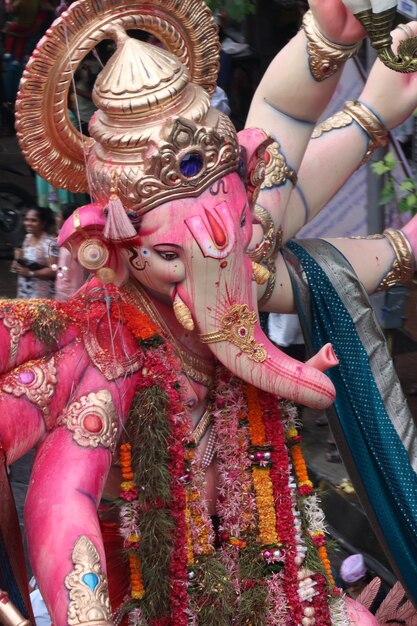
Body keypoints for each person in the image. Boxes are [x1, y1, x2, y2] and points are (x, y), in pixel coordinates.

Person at [2, 1, 417, 625]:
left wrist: (331, 44)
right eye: (169, 255)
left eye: (241, 217)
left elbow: (285, 127)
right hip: (155, 599)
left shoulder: (236, 252)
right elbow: (65, 502)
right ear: (107, 246)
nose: (218, 267)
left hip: (278, 570)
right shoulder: (100, 352)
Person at [12, 206, 58, 299]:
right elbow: (26, 261)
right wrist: (17, 264)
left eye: (33, 220)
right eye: (27, 220)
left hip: (40, 294)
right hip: (24, 291)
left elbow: (54, 270)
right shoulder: (27, 238)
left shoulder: (49, 243)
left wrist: (30, 273)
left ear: (42, 224)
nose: (28, 223)